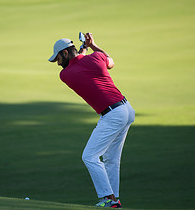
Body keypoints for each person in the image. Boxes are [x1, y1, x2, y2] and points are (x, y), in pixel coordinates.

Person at [48, 33, 135, 208]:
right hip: (126, 109)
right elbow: (110, 61)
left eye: (57, 58)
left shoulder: (65, 74)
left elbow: (78, 63)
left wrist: (85, 49)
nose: (57, 63)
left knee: (90, 156)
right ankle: (114, 200)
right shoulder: (96, 57)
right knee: (111, 159)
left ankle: (108, 199)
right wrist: (93, 46)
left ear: (65, 53)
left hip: (113, 114)